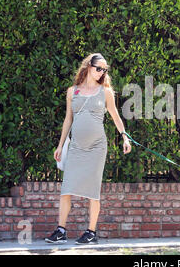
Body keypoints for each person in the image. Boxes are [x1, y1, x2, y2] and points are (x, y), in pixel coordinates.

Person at [45, 53, 131, 245]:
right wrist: (60, 146)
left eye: (104, 70)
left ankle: (91, 232)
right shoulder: (72, 91)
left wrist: (125, 138)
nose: (101, 73)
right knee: (66, 189)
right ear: (88, 67)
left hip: (96, 148)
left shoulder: (106, 92)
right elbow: (68, 119)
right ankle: (61, 230)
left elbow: (116, 117)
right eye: (98, 68)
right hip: (76, 147)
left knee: (93, 191)